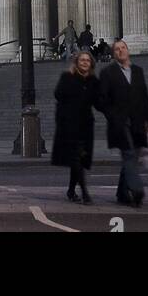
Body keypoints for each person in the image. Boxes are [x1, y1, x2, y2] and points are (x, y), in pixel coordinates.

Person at [98, 40, 148, 208]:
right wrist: (113, 116)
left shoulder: (138, 71)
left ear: (128, 50)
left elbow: (144, 97)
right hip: (120, 124)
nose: (120, 51)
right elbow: (101, 100)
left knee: (132, 157)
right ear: (113, 54)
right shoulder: (107, 73)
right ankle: (137, 189)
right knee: (129, 155)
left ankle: (121, 192)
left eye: (123, 48)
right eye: (116, 49)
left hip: (138, 122)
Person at [52, 50, 100, 204]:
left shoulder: (93, 81)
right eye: (82, 60)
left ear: (91, 63)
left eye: (87, 60)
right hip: (69, 125)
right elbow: (58, 94)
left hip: (86, 125)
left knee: (79, 160)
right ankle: (85, 193)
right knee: (76, 158)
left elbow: (99, 102)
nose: (85, 62)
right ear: (76, 62)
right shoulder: (67, 77)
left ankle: (71, 190)